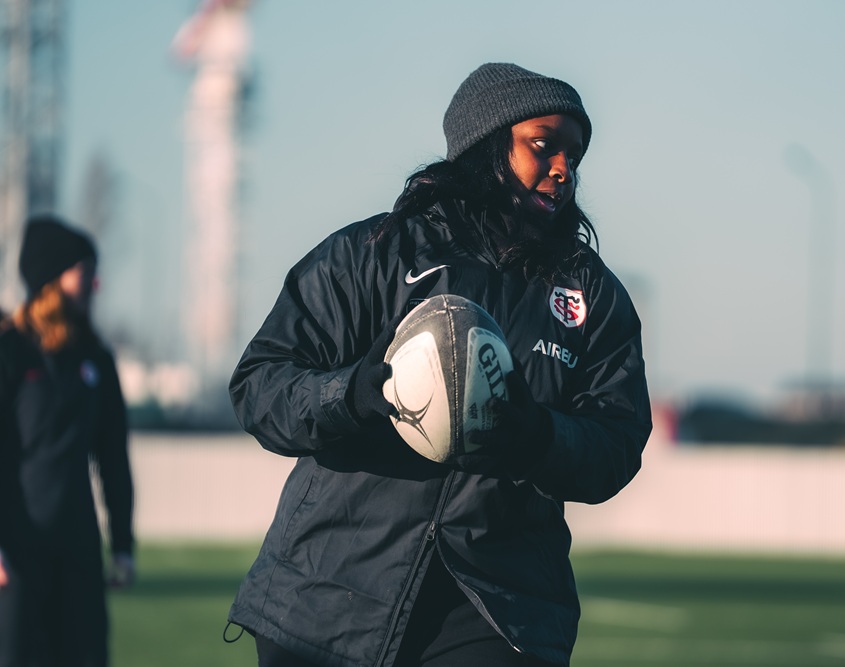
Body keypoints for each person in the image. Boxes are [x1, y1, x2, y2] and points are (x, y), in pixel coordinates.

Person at [227, 62, 652, 667]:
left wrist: (538, 437)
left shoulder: (592, 296)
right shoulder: (374, 252)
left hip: (499, 613)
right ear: (486, 145)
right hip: (325, 601)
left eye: (574, 155)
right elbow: (259, 385)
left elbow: (616, 442)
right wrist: (349, 396)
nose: (563, 169)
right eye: (543, 145)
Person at [0, 215, 135, 667]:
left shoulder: (97, 359)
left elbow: (114, 457)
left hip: (78, 552)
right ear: (51, 278)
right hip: (16, 556)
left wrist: (122, 544)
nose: (95, 285)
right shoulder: (10, 351)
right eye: (84, 271)